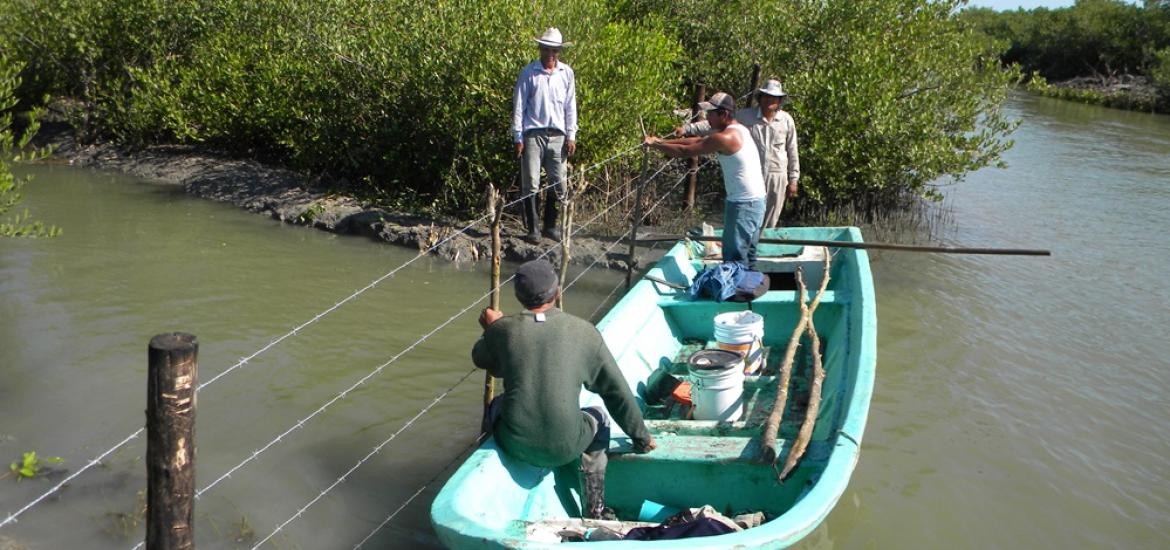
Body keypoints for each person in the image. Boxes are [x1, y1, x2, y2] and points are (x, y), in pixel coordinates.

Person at [473, 260, 656, 519]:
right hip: (568, 445)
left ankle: (489, 466)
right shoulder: (585, 332)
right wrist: (641, 437)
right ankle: (595, 505)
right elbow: (616, 392)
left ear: (517, 295)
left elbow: (481, 359)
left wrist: (492, 329)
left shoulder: (503, 330)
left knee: (498, 404)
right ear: (557, 291)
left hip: (515, 444)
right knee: (599, 415)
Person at [646, 92, 767, 269]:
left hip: (744, 205)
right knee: (747, 255)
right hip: (755, 201)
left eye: (711, 113)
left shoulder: (725, 137)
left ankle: (736, 292)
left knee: (734, 258)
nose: (707, 117)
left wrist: (654, 145)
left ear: (724, 114)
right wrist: (661, 140)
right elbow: (698, 140)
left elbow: (685, 152)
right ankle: (747, 289)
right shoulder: (738, 130)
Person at [676, 79, 800, 228]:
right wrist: (687, 129)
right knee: (750, 216)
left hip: (777, 175)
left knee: (770, 219)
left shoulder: (786, 120)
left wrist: (793, 180)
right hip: (753, 174)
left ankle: (760, 248)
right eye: (766, 96)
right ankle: (748, 246)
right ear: (760, 98)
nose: (769, 100)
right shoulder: (745, 116)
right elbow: (714, 123)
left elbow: (792, 151)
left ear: (779, 100)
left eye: (774, 98)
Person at [512, 27, 578, 243]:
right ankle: (533, 229)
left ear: (559, 51)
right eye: (547, 49)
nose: (551, 54)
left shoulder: (566, 73)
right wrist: (518, 137)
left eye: (555, 50)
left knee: (558, 182)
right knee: (530, 181)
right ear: (540, 48)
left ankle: (550, 226)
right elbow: (519, 106)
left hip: (558, 135)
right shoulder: (528, 72)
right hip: (533, 134)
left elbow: (571, 106)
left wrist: (571, 134)